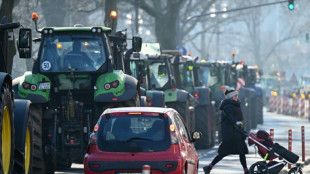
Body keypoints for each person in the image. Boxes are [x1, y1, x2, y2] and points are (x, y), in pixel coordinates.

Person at [203, 89, 249, 174]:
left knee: (241, 152)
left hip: (236, 132)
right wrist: (236, 122)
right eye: (235, 96)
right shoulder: (228, 106)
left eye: (237, 96)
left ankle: (246, 170)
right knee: (223, 153)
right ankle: (209, 167)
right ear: (231, 97)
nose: (237, 97)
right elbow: (230, 116)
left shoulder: (235, 105)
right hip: (230, 134)